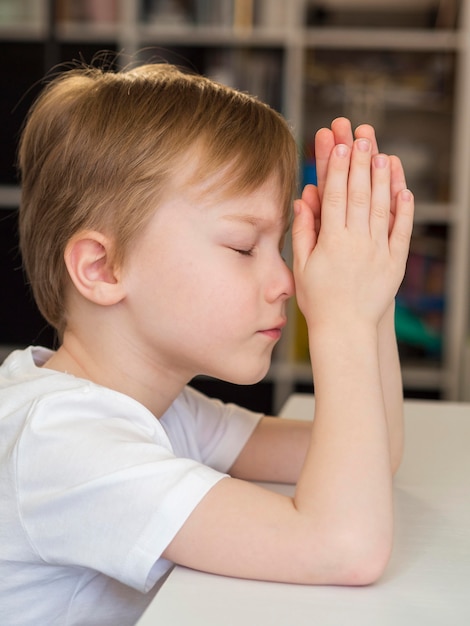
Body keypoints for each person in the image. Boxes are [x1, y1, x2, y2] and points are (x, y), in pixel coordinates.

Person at [0, 62, 414, 626]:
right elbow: (340, 546)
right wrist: (340, 321)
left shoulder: (159, 409)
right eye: (245, 247)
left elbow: (375, 452)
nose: (285, 281)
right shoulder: (62, 440)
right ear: (102, 267)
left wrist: (370, 299)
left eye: (278, 248)